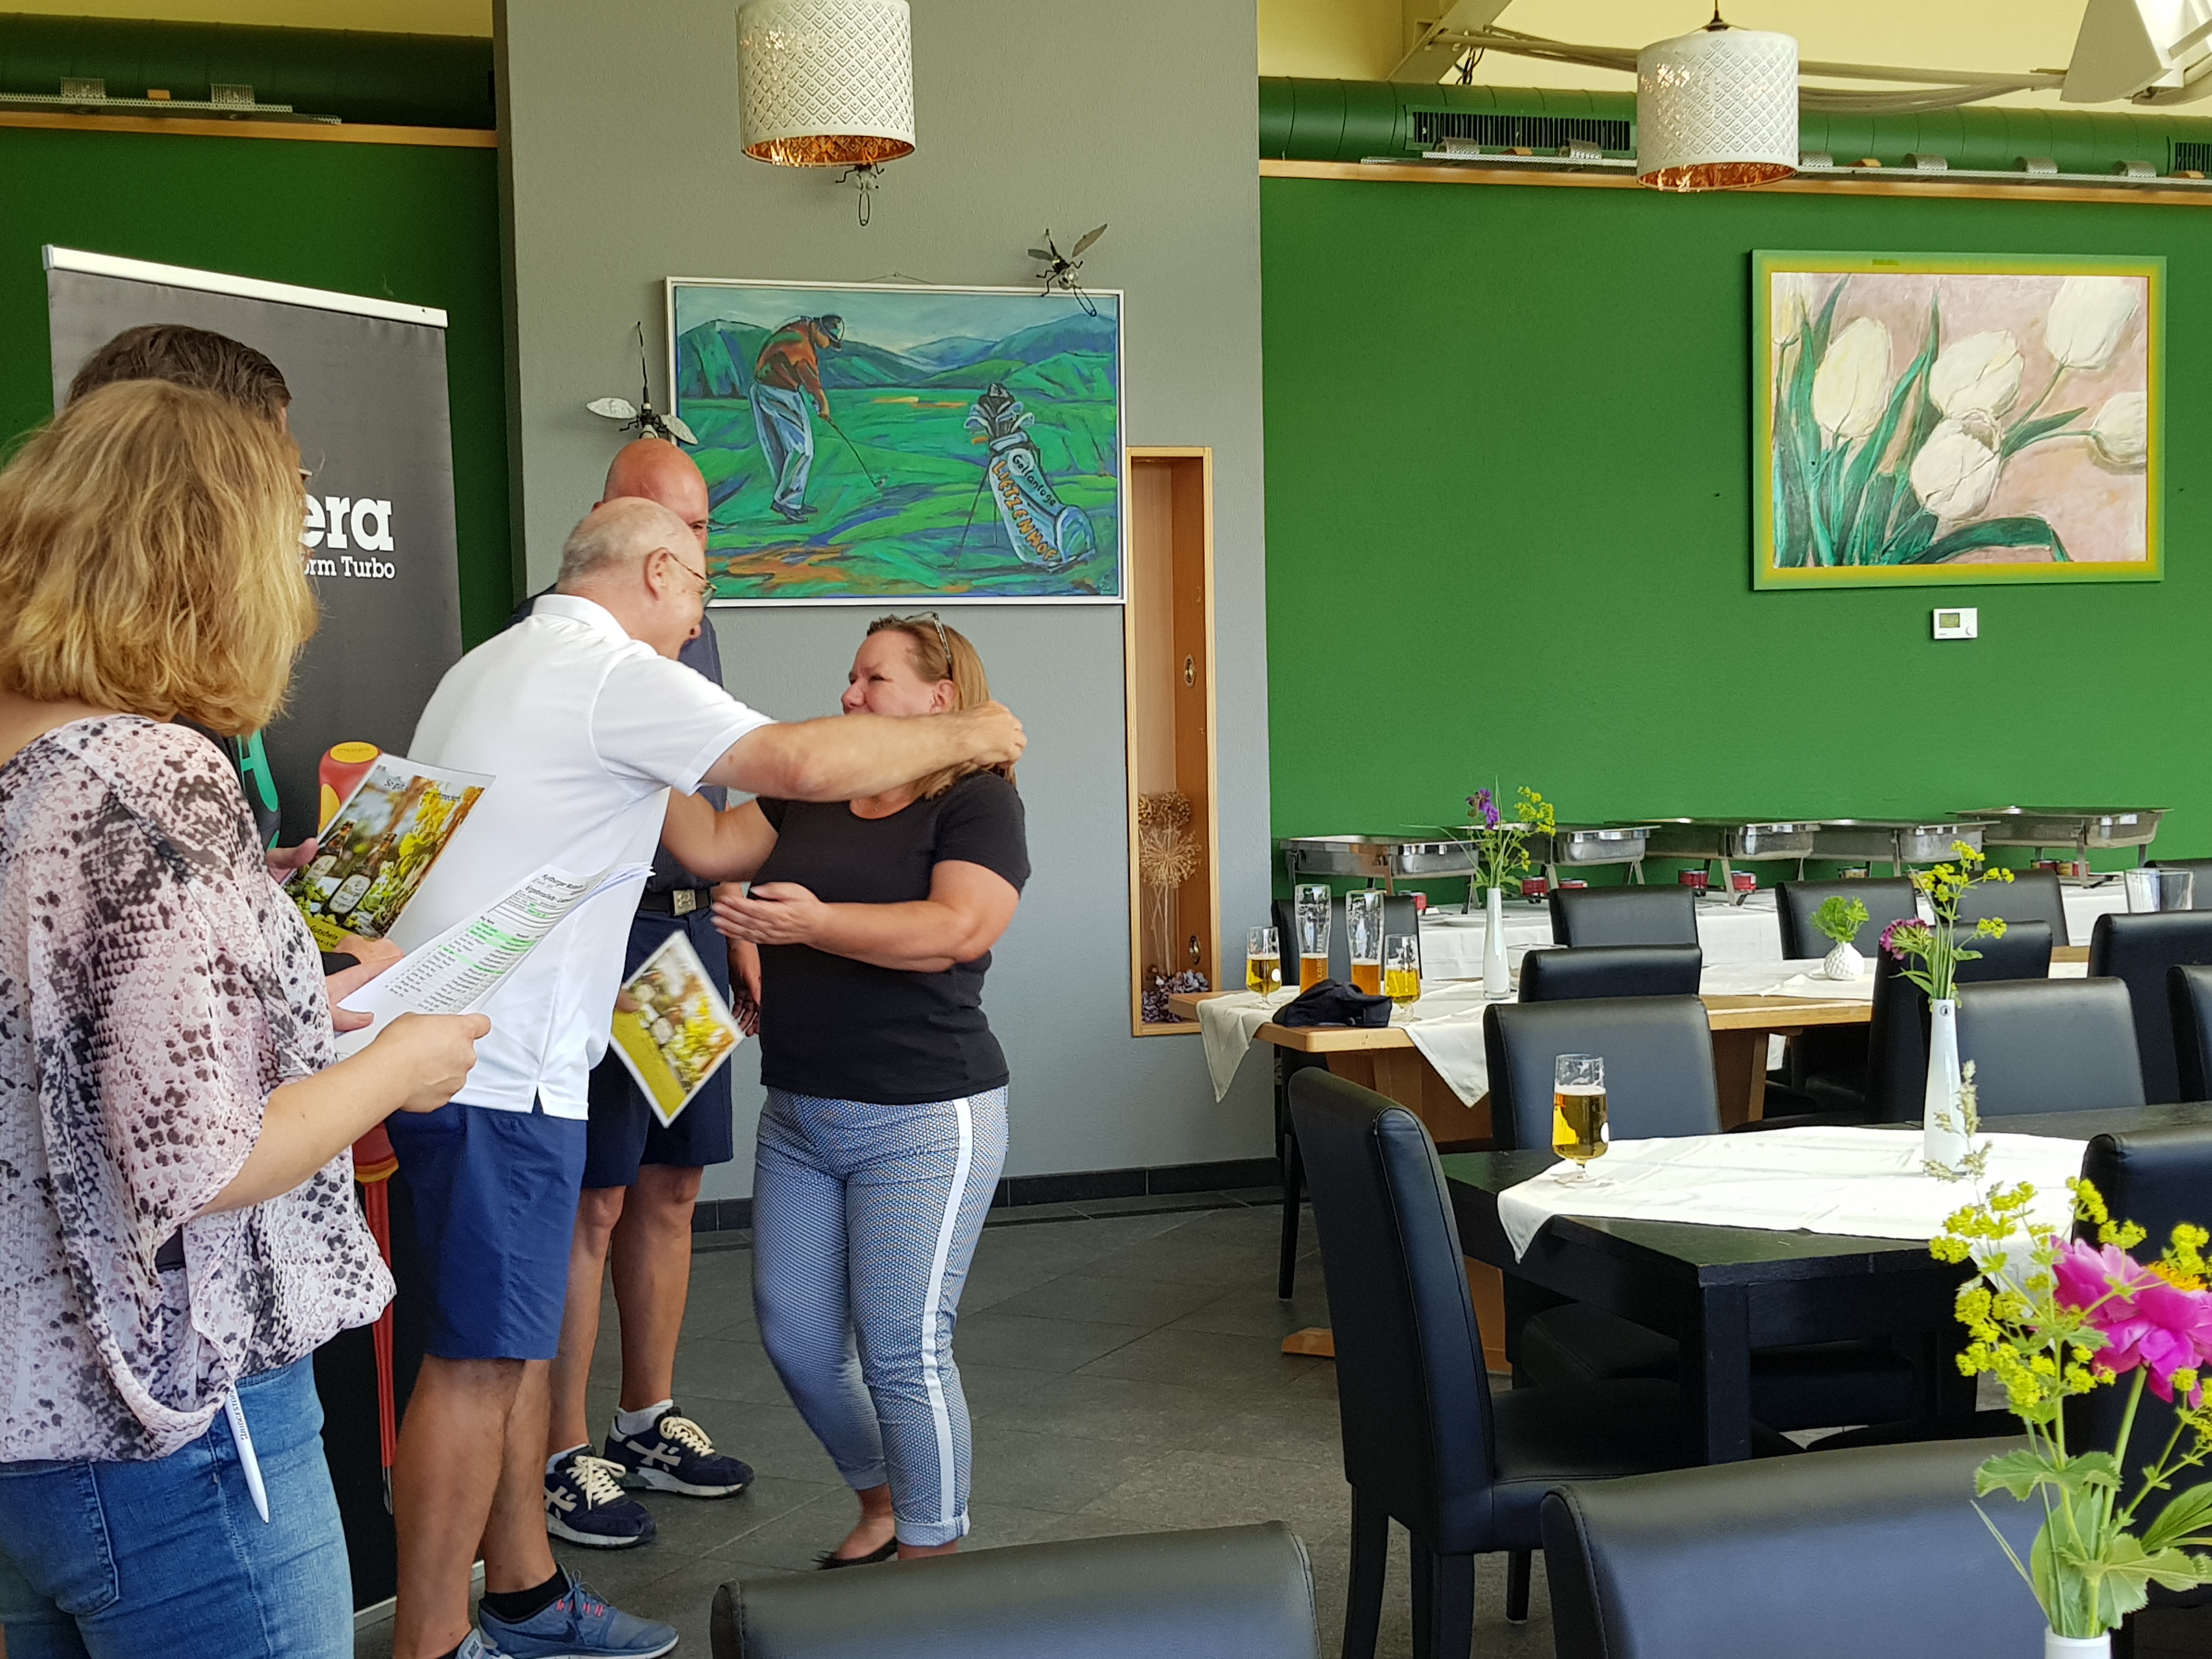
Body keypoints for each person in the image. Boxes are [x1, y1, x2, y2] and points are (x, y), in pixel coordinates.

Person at [384, 501, 1025, 1659]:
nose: (696, 622)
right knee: (482, 1365)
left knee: (507, 1357)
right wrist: (979, 726)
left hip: (490, 1056)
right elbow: (792, 764)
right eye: (697, 589)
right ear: (657, 570)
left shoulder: (496, 665)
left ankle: (527, 1594)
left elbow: (951, 921)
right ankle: (440, 1638)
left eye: (875, 676)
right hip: (499, 1064)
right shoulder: (607, 672)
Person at [0, 380, 487, 1657]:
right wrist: (399, 1062)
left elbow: (62, 1056)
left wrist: (277, 975)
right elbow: (202, 1160)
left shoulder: (28, 765)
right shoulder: (151, 779)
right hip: (173, 1423)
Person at [703, 614, 1027, 1566]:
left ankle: (935, 1569)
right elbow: (710, 842)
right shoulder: (812, 790)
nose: (849, 694)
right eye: (851, 676)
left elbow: (957, 929)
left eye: (873, 678)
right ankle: (887, 1501)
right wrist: (639, 733)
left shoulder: (978, 801)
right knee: (800, 1343)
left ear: (939, 698)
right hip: (801, 1112)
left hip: (924, 1114)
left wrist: (810, 925)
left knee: (902, 1352)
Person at [536, 440, 756, 1550]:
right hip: (604, 936)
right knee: (596, 1200)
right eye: (673, 527)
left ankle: (645, 1421)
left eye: (703, 528)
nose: (691, 552)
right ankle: (562, 1453)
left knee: (673, 1184)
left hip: (689, 934)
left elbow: (714, 787)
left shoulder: (696, 626)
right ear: (609, 519)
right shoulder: (560, 638)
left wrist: (738, 918)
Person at [750, 314, 844, 522]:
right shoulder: (802, 345)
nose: (828, 346)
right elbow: (810, 380)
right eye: (829, 340)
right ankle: (788, 502)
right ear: (820, 330)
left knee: (781, 450)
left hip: (767, 389)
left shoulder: (799, 330)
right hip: (778, 392)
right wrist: (824, 405)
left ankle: (788, 501)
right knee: (803, 449)